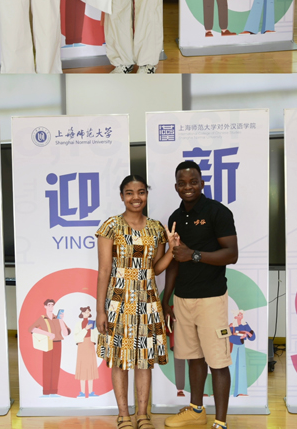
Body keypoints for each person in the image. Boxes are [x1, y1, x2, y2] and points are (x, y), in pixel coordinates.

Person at [96, 175, 177, 429]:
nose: (136, 197)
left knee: (144, 359)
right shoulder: (111, 226)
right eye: (129, 193)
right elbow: (104, 270)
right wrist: (100, 311)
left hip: (148, 302)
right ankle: (124, 415)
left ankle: (142, 415)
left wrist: (172, 249)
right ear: (122, 196)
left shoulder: (156, 228)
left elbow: (156, 268)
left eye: (141, 192)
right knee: (120, 360)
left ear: (146, 195)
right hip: (118, 301)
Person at [162, 160, 239, 429]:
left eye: (193, 182)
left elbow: (231, 254)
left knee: (217, 361)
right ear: (176, 187)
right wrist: (166, 298)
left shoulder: (218, 212)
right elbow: (175, 261)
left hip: (211, 298)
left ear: (202, 183)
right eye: (182, 183)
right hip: (183, 299)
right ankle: (196, 410)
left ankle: (221, 422)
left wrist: (193, 255)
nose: (188, 187)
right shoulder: (174, 217)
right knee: (193, 357)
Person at [29, 299, 70, 397]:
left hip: (58, 343)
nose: (51, 307)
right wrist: (47, 333)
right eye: (49, 305)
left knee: (56, 367)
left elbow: (66, 333)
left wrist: (61, 320)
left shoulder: (58, 318)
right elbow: (31, 329)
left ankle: (54, 391)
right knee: (47, 367)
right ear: (45, 306)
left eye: (52, 305)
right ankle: (46, 391)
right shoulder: (42, 318)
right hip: (47, 343)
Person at [74, 305, 99, 397]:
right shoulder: (78, 324)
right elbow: (76, 337)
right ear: (82, 313)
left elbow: (96, 336)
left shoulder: (93, 323)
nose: (86, 314)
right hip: (82, 345)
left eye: (88, 312)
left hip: (90, 345)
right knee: (82, 369)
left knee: (91, 368)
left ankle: (91, 392)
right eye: (85, 312)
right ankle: (82, 392)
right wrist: (85, 329)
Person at [229, 311, 255, 397]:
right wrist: (237, 335)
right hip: (233, 346)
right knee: (230, 367)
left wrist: (247, 334)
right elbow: (225, 336)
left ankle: (241, 391)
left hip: (241, 346)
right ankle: (227, 391)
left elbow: (253, 337)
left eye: (241, 314)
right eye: (239, 314)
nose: (241, 316)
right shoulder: (232, 325)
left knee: (242, 367)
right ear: (235, 316)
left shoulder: (245, 325)